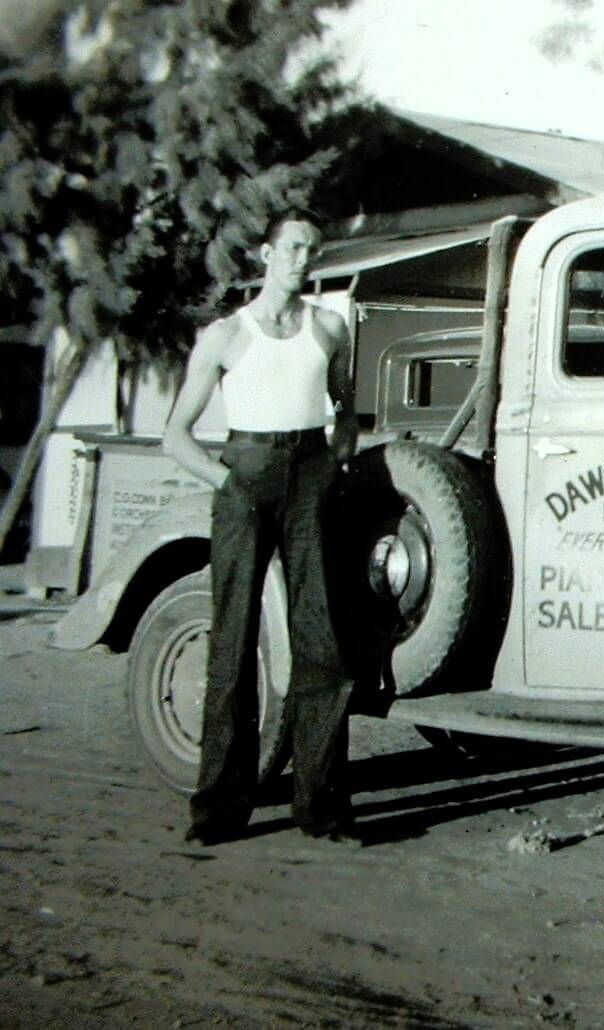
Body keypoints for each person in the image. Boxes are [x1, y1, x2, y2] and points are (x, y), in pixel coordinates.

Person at [163, 211, 358, 844]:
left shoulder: (329, 327)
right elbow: (175, 436)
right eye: (294, 245)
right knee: (234, 639)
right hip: (244, 476)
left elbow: (344, 410)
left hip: (310, 477)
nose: (304, 256)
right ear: (266, 253)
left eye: (313, 246)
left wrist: (335, 458)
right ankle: (219, 808)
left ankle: (321, 809)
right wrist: (229, 482)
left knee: (320, 638)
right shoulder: (224, 335)